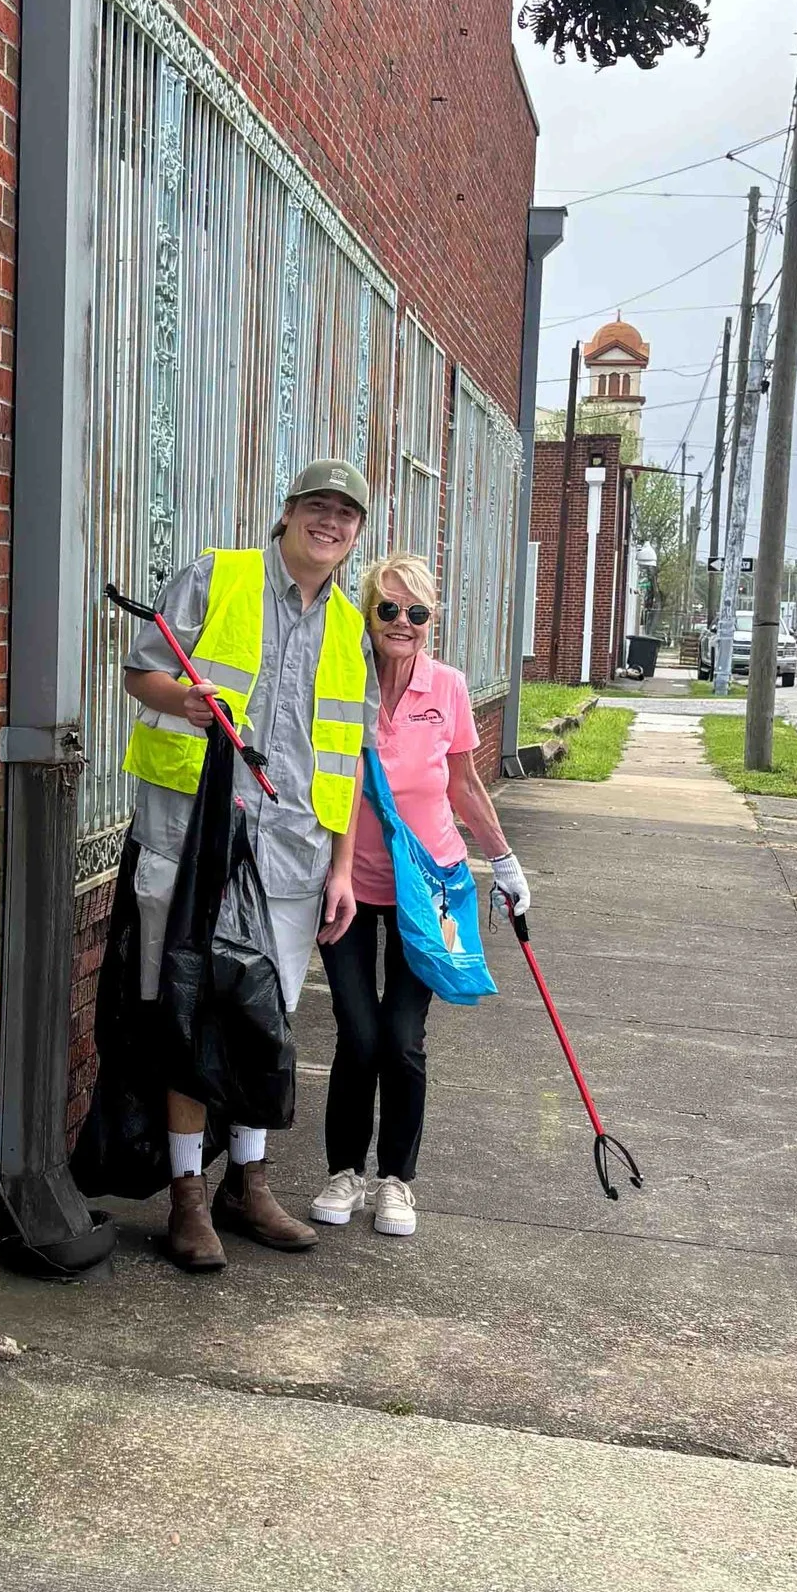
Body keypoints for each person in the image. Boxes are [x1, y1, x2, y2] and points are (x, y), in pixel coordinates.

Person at [122, 465, 371, 1270]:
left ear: (354, 534)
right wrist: (183, 702)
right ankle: (188, 1193)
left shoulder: (348, 626)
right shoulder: (217, 575)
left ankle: (249, 1183)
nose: (329, 524)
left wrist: (342, 867)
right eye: (317, 509)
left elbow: (347, 757)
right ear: (289, 513)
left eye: (345, 516)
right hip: (194, 841)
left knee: (265, 1023)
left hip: (295, 856)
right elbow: (141, 670)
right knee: (188, 1013)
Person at [312, 550, 528, 1241]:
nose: (401, 623)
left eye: (416, 612)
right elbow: (331, 774)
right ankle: (345, 1169)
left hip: (428, 885)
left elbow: (463, 784)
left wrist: (505, 861)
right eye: (388, 609)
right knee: (359, 1031)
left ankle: (396, 1179)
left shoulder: (450, 688)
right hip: (349, 882)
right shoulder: (345, 680)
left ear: (431, 620)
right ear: (368, 614)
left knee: (403, 1039)